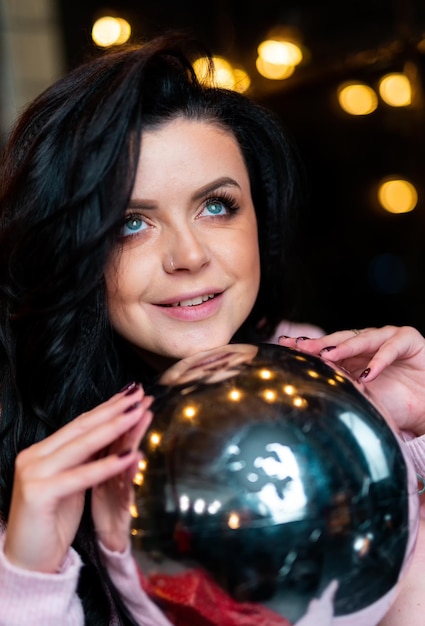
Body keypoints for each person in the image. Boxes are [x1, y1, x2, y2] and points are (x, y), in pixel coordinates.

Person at [0, 32, 423, 625]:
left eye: (217, 205)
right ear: (68, 251)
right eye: (131, 224)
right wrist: (28, 578)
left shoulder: (326, 384)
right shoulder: (25, 466)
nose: (189, 256)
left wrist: (411, 442)